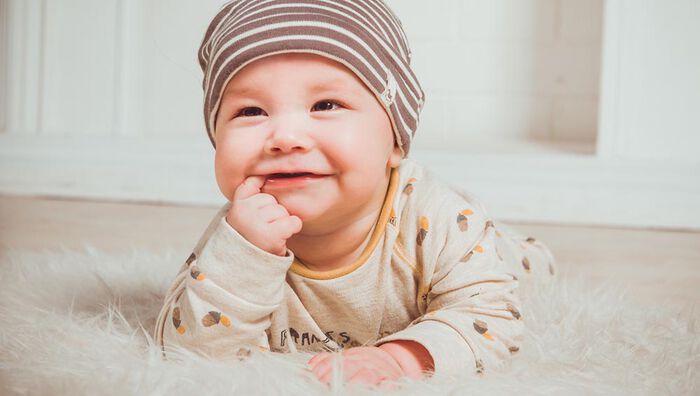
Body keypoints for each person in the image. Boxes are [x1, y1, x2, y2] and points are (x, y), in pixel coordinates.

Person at [154, 0, 556, 387]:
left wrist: (399, 357)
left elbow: (491, 317)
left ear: (395, 142)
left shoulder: (440, 219)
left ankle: (514, 246)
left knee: (508, 270)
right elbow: (190, 349)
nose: (285, 137)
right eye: (251, 112)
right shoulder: (239, 234)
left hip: (481, 252)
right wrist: (244, 259)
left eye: (326, 104)